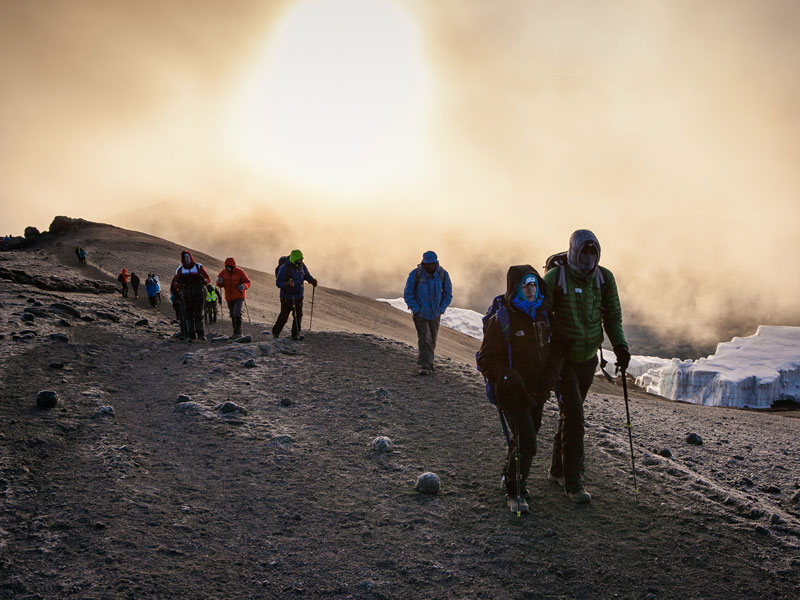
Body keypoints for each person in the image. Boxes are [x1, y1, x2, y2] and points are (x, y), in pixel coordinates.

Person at [543, 229, 630, 503]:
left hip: (588, 358)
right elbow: (541, 316)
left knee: (570, 415)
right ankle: (573, 481)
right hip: (563, 359)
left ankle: (557, 470)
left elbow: (612, 316)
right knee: (576, 417)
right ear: (574, 252)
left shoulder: (604, 279)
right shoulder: (555, 278)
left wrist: (621, 347)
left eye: (593, 254)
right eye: (584, 253)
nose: (588, 260)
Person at [477, 265, 559, 514]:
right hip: (511, 394)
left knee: (523, 437)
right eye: (526, 285)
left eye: (534, 284)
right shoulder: (502, 320)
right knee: (528, 443)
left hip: (536, 393)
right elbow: (486, 359)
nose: (531, 289)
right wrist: (507, 376)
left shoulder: (543, 315)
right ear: (516, 289)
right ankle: (515, 492)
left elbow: (552, 351)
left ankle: (509, 477)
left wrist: (548, 382)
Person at [402, 251, 453, 375]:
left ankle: (427, 362)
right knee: (424, 338)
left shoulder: (443, 274)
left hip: (435, 313)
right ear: (423, 263)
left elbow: (448, 294)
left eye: (432, 264)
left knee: (432, 339)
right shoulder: (416, 274)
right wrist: (416, 309)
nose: (430, 266)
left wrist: (441, 309)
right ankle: (425, 366)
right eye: (428, 264)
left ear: (436, 263)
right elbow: (408, 294)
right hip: (420, 314)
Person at [272, 249, 317, 340]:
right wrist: (287, 284)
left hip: (298, 295)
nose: (300, 261)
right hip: (286, 296)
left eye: (301, 259)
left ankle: (295, 334)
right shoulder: (284, 268)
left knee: (298, 315)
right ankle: (275, 332)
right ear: (293, 259)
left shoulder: (301, 266)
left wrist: (312, 281)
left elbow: (307, 275)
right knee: (284, 315)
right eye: (298, 260)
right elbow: (278, 283)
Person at [174, 250, 210, 341]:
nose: (186, 259)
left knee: (198, 313)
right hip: (187, 293)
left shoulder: (198, 267)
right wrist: (179, 284)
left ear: (190, 257)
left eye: (187, 257)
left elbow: (207, 278)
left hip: (198, 292)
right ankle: (191, 335)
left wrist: (204, 281)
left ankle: (201, 334)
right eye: (185, 258)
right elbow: (176, 283)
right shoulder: (181, 270)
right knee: (189, 314)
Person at [216, 258, 251, 338]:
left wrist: (243, 286)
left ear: (233, 266)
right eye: (227, 266)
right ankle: (235, 332)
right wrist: (219, 282)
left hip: (239, 296)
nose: (228, 268)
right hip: (229, 297)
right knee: (232, 314)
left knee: (237, 312)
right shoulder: (223, 273)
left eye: (230, 266)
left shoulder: (240, 272)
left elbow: (247, 282)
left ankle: (238, 332)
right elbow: (220, 284)